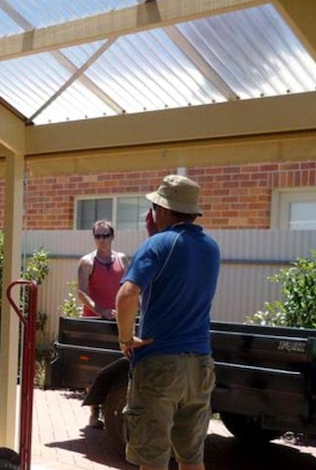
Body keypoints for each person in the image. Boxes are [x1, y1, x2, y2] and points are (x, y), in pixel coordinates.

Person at [115, 175, 220, 470]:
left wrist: (125, 339)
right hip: (200, 365)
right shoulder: (211, 247)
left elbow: (127, 295)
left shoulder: (158, 244)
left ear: (161, 210)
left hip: (161, 364)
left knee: (152, 458)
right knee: (191, 457)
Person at [76, 219, 129, 428]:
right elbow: (81, 293)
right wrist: (101, 311)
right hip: (94, 321)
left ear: (112, 236)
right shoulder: (87, 262)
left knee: (118, 363)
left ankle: (113, 409)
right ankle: (93, 412)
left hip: (119, 320)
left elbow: (130, 287)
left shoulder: (122, 259)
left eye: (105, 235)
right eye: (97, 236)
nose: (102, 240)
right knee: (94, 368)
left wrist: (135, 308)